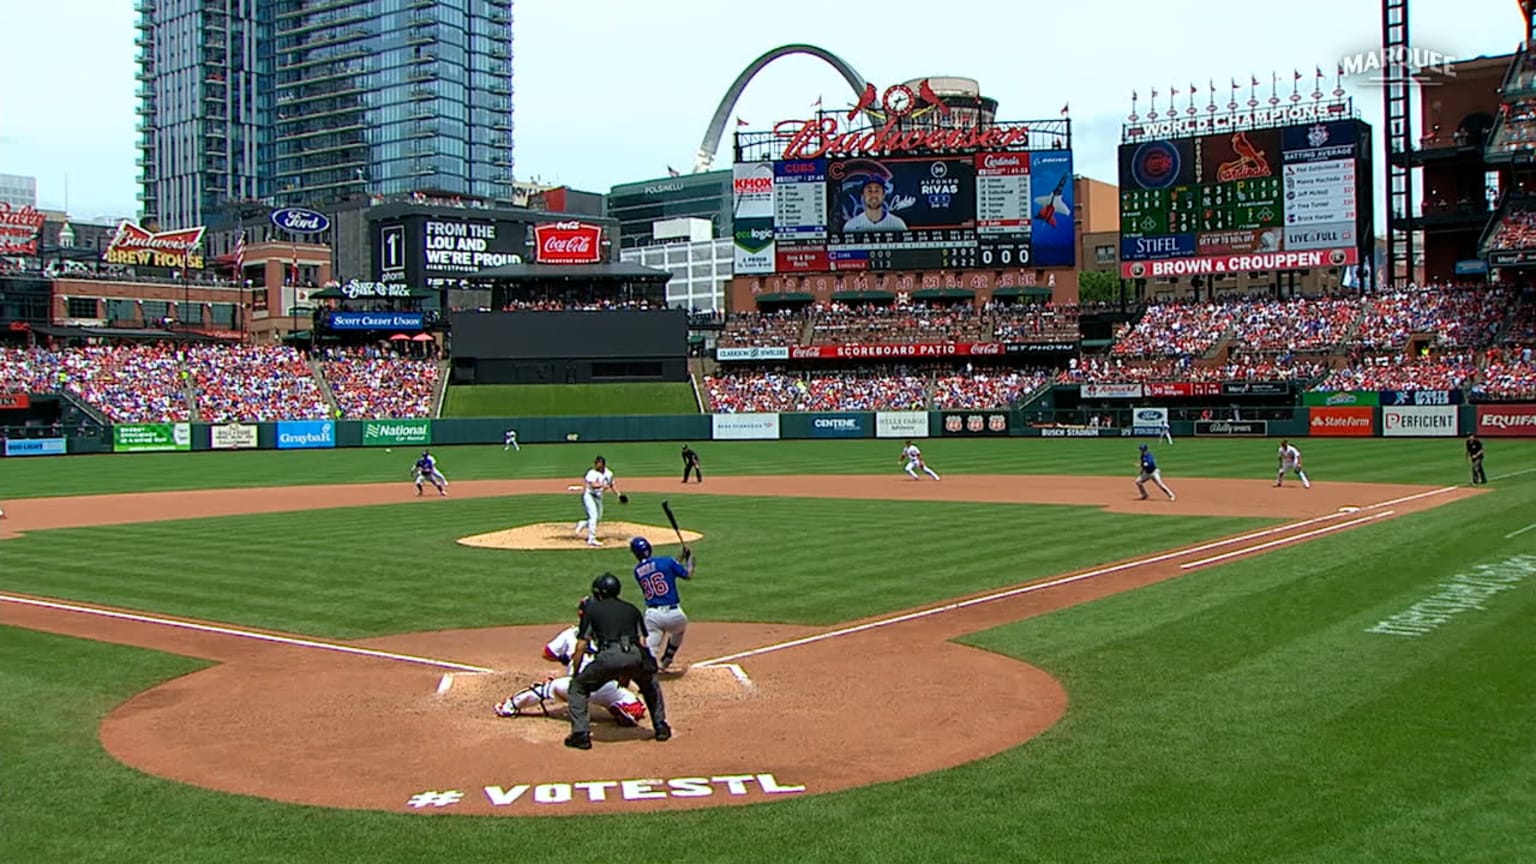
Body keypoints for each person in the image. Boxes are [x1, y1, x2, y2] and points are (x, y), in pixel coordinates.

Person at [563, 572, 670, 749]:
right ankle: (660, 726)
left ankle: (580, 735)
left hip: (609, 656)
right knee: (650, 684)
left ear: (599, 592)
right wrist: (631, 671)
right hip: (636, 655)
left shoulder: (592, 610)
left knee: (578, 688)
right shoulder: (631, 608)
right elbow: (643, 642)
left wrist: (576, 674)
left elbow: (581, 645)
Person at [630, 536, 693, 673]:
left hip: (653, 616)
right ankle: (667, 659)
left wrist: (680, 557)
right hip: (675, 615)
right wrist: (689, 560)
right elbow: (687, 574)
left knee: (651, 649)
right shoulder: (667, 562)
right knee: (679, 630)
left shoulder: (637, 571)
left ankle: (647, 674)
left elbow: (659, 569)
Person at [574, 455, 621, 547]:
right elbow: (592, 485)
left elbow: (612, 485)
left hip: (598, 497)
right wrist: (603, 486)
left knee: (597, 518)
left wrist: (618, 494)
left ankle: (583, 523)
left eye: (598, 463)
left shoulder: (609, 473)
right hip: (589, 496)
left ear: (603, 464)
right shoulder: (591, 472)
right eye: (595, 463)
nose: (596, 465)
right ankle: (591, 539)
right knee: (594, 516)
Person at [843, 176, 908, 232]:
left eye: (877, 191)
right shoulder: (851, 226)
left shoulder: (898, 224)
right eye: (869, 191)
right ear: (863, 196)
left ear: (883, 195)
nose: (873, 195)